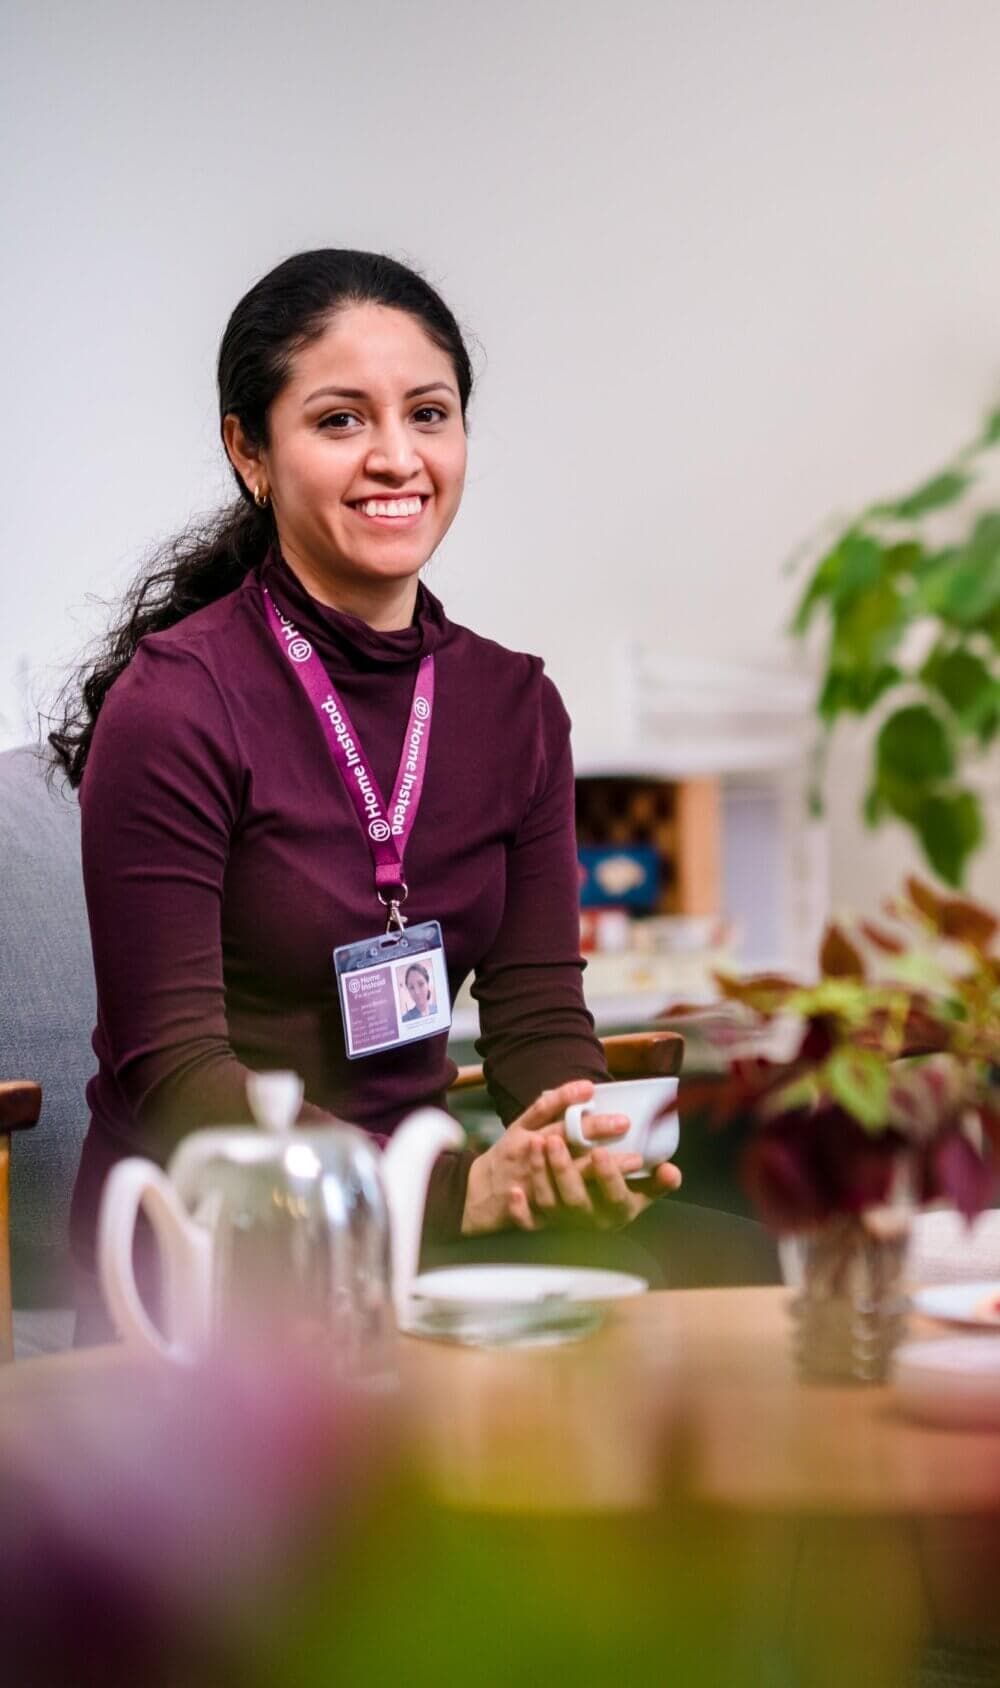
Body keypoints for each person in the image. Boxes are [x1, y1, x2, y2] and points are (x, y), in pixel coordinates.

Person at [53, 248, 716, 1342]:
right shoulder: (176, 705)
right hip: (221, 1248)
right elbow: (175, 1073)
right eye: (341, 420)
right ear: (249, 451)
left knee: (718, 1275)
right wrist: (454, 1189)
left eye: (428, 412)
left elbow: (541, 1018)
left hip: (428, 1219)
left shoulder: (513, 705)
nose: (397, 457)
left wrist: (572, 1138)